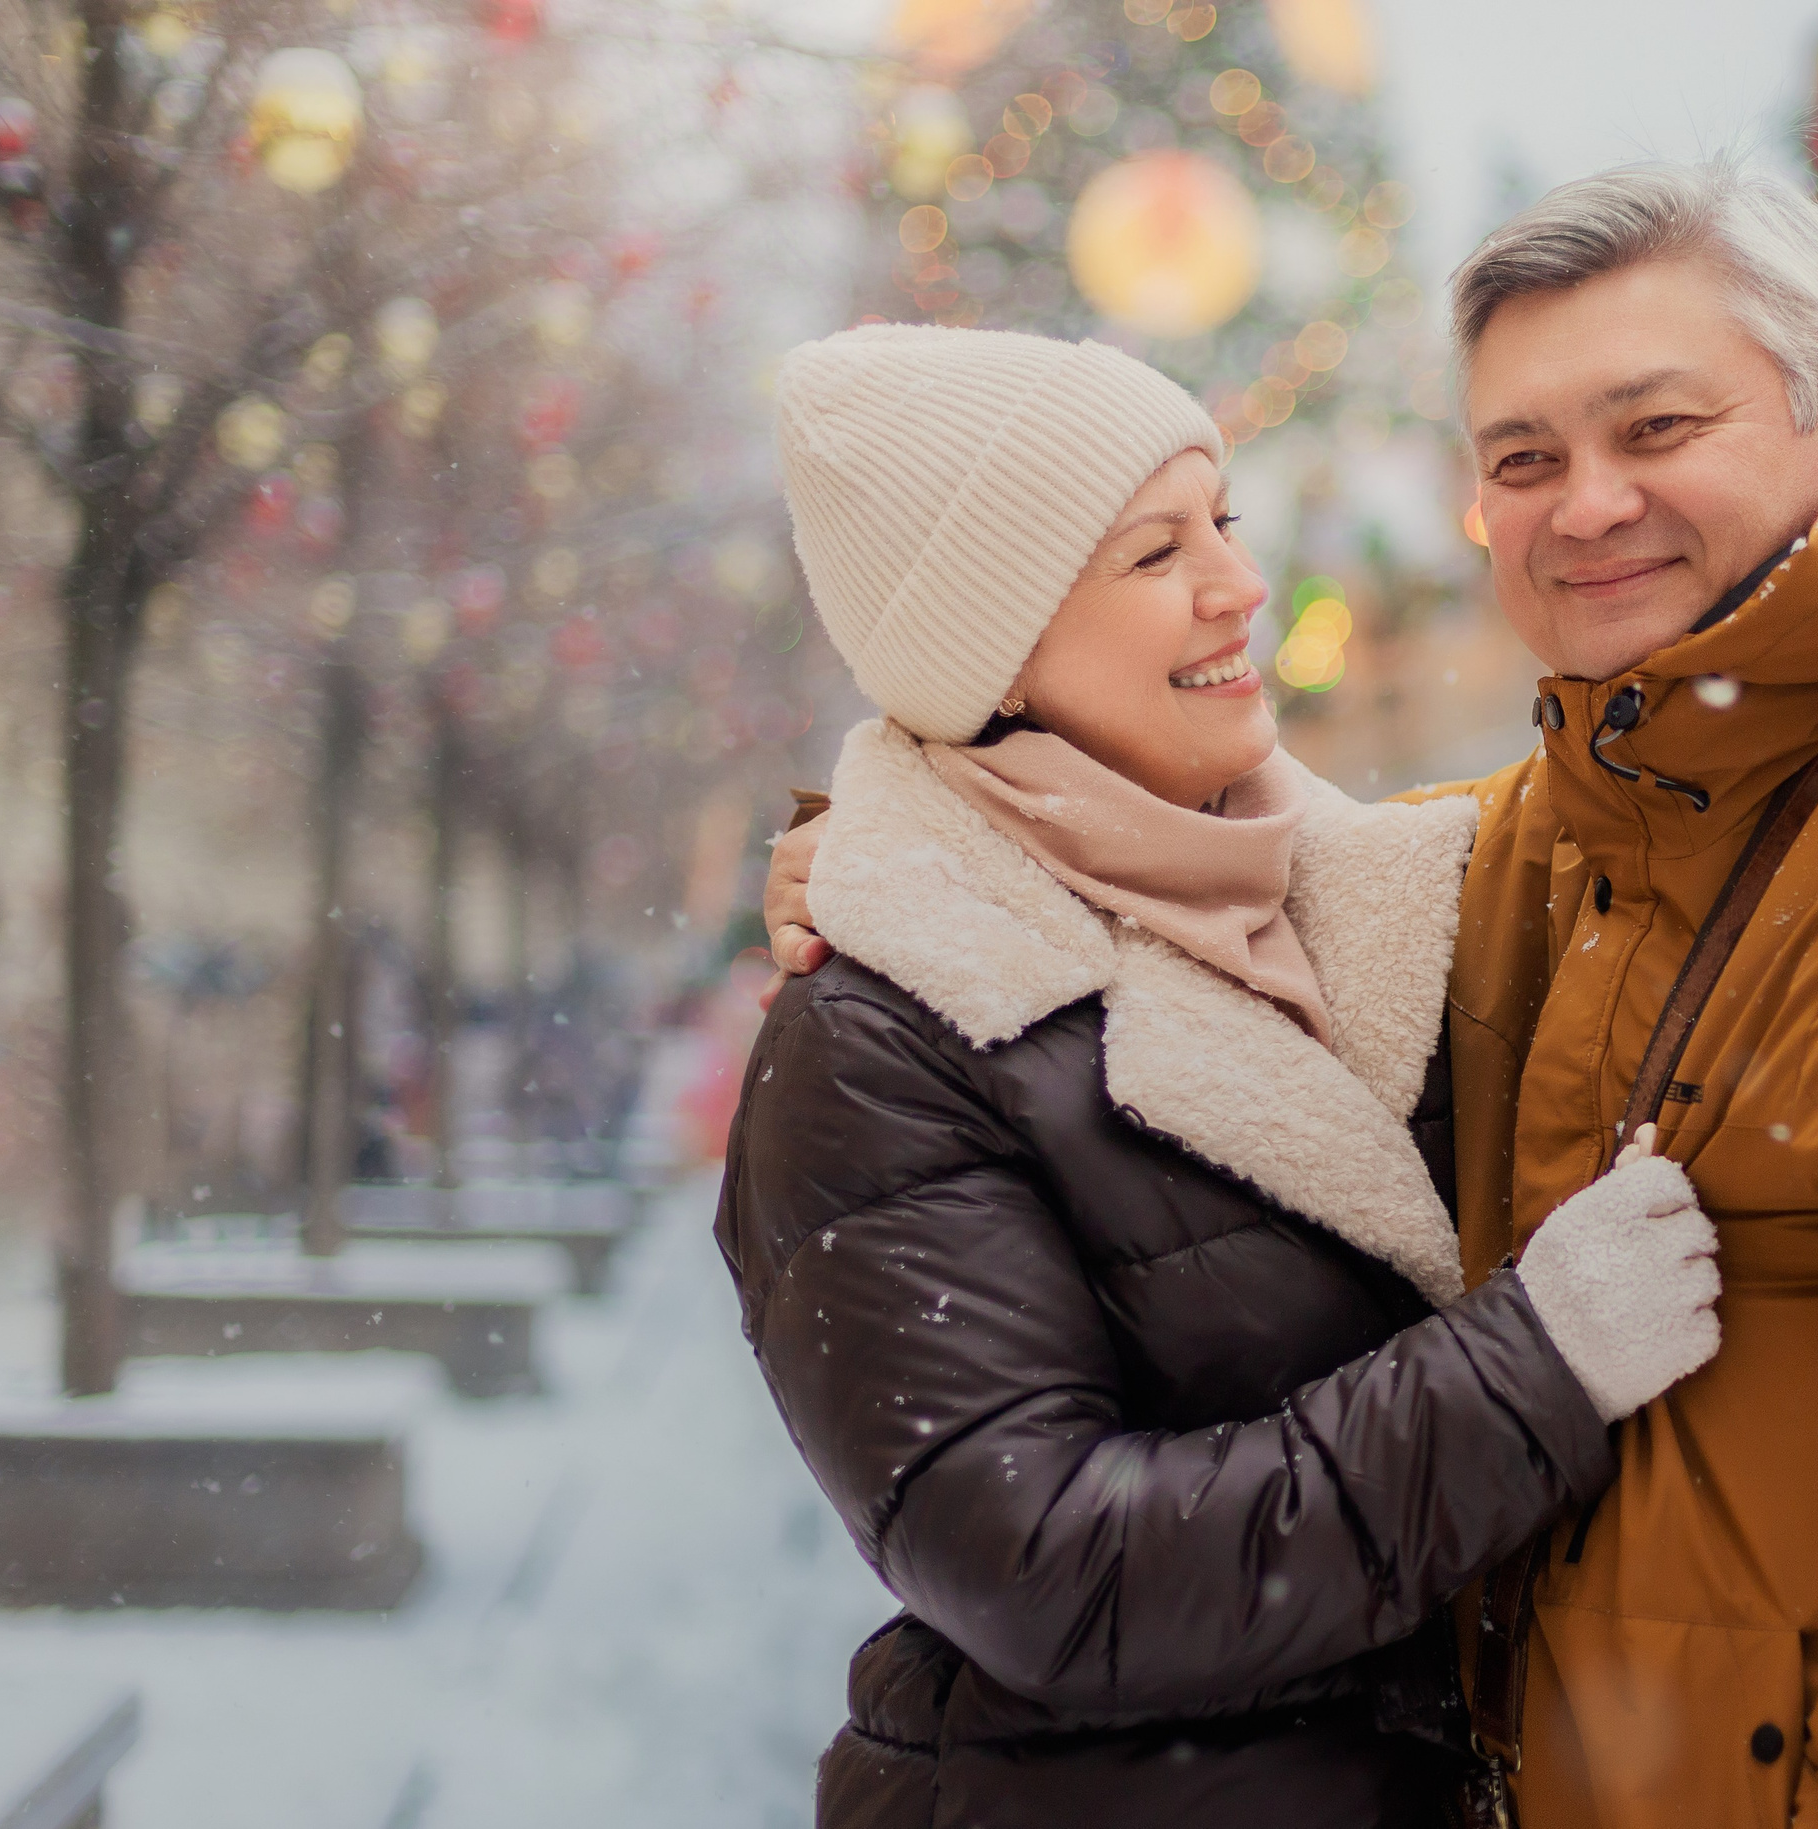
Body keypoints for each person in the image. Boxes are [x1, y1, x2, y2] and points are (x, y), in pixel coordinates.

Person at [768, 160, 1818, 1828]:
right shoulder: (1576, 839)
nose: (1585, 503)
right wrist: (897, 864)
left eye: (1657, 429)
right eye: (1522, 459)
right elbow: (1227, 885)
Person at [716, 322, 1725, 1828]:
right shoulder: (878, 1036)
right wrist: (1540, 1366)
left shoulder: (1372, 899)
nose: (1239, 587)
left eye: (1224, 523)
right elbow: (1055, 1573)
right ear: (987, 642)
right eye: (1150, 553)